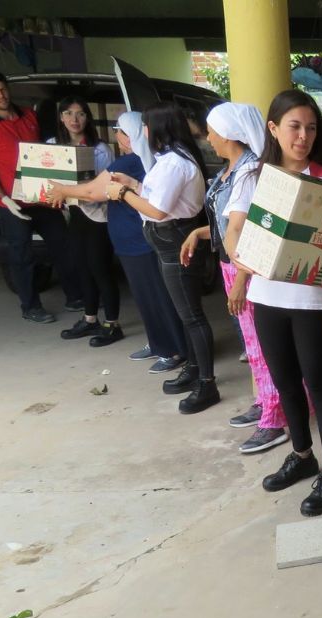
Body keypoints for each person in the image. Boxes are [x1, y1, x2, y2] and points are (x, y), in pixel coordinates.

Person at [244, 90, 322, 517]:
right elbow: (237, 231)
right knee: (285, 381)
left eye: (310, 127)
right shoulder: (254, 177)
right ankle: (302, 455)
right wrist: (239, 255)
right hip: (266, 297)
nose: (303, 135)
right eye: (294, 126)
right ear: (274, 129)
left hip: (313, 300)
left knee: (320, 385)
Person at [180, 102, 289, 454]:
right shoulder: (233, 170)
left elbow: (249, 230)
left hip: (247, 270)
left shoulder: (251, 172)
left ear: (228, 134)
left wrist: (241, 279)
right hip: (233, 267)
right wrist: (200, 233)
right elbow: (227, 222)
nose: (208, 138)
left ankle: (275, 421)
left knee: (264, 348)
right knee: (253, 347)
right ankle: (265, 403)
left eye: (211, 131)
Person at [48, 113, 189, 376]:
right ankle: (159, 343)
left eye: (120, 130)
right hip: (129, 243)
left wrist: (63, 190)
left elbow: (93, 191)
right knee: (146, 299)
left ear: (132, 135)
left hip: (141, 242)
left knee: (159, 298)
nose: (117, 135)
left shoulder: (131, 162)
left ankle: (175, 350)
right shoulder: (137, 161)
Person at [106, 101, 219, 414]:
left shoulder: (173, 163)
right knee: (186, 312)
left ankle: (207, 383)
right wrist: (134, 185)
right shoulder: (173, 159)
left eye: (144, 126)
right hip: (171, 241)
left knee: (192, 315)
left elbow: (157, 210)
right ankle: (195, 368)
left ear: (157, 128)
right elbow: (159, 197)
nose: (141, 132)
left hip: (174, 241)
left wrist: (124, 195)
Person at [0, 70, 82, 323]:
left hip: (41, 198)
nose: (1, 95)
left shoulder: (30, 116)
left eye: (3, 89)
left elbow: (47, 154)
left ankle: (75, 296)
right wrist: (5, 198)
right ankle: (30, 306)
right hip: (11, 203)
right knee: (21, 255)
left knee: (63, 245)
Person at [47, 95, 123, 346]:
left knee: (100, 269)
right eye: (68, 113)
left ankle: (112, 324)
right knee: (83, 269)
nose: (74, 119)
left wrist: (68, 189)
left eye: (80, 114)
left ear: (87, 118)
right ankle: (90, 319)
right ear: (61, 117)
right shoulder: (51, 148)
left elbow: (103, 187)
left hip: (97, 216)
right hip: (73, 215)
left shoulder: (100, 149)